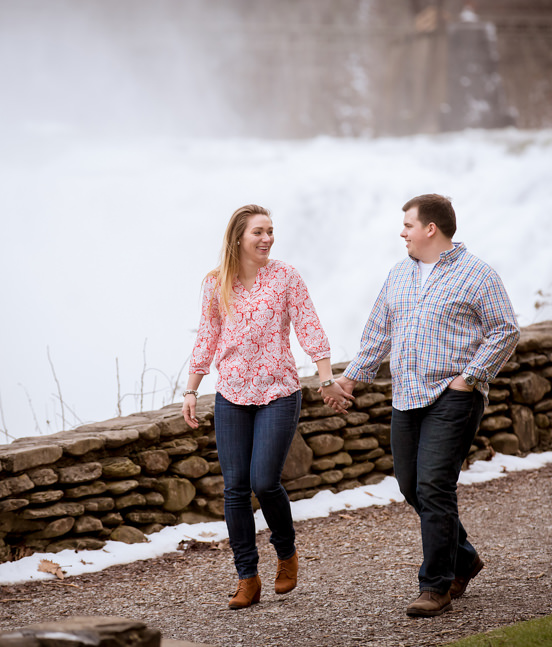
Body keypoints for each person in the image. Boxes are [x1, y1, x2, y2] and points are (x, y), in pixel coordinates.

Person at [332, 194, 519, 618]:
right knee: (411, 485)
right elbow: (378, 335)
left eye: (408, 225)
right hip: (406, 396)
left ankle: (436, 586)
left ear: (430, 228)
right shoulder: (399, 274)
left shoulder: (478, 275)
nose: (403, 232)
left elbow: (505, 330)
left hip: (451, 397)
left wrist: (469, 379)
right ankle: (465, 558)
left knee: (434, 486)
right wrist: (348, 379)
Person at [182, 204, 352, 610]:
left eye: (270, 231)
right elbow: (207, 336)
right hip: (231, 396)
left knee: (263, 481)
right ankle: (247, 577)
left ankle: (287, 552)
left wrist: (325, 377)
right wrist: (191, 390)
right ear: (238, 237)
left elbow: (309, 324)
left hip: (279, 391)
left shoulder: (285, 276)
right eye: (259, 232)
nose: (267, 239)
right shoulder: (215, 283)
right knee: (235, 489)